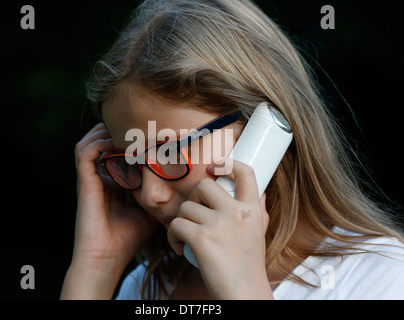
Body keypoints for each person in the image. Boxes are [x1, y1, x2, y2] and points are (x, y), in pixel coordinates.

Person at [60, 0, 404, 300]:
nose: (149, 195)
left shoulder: (381, 277)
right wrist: (96, 266)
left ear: (264, 127)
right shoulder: (148, 286)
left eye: (170, 153)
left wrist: (242, 289)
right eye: (131, 162)